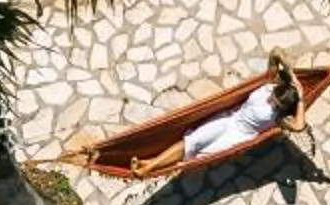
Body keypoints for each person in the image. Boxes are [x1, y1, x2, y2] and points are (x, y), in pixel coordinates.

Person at [106, 52, 303, 175]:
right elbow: (277, 53)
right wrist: (293, 76)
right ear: (278, 89)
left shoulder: (279, 117)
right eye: (273, 98)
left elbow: (298, 126)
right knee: (193, 140)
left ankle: (149, 167)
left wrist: (301, 99)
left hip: (238, 137)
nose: (271, 102)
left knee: (197, 155)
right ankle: (149, 164)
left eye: (276, 104)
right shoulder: (271, 84)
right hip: (228, 119)